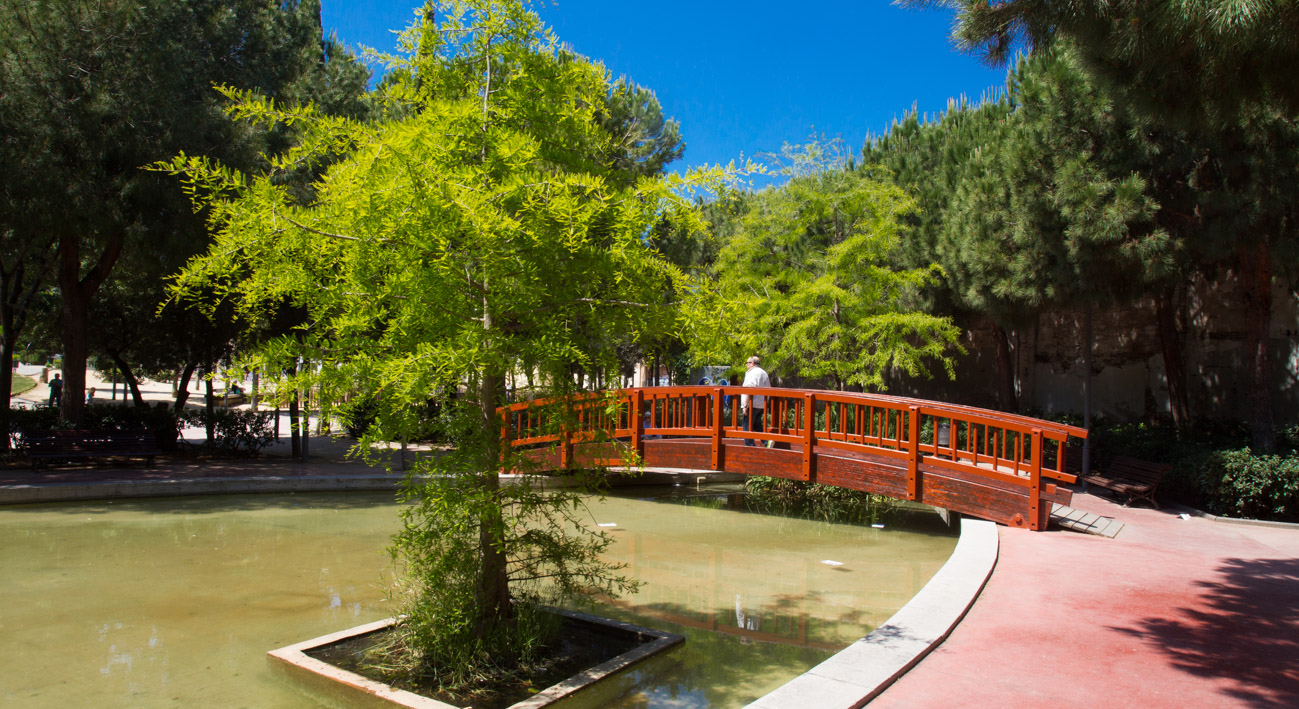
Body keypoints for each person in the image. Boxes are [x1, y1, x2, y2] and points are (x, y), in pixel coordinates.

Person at [740, 356, 770, 446]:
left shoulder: (752, 372)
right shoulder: (764, 373)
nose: (746, 365)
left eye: (747, 363)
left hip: (752, 404)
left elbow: (750, 388)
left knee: (747, 426)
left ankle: (750, 447)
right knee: (757, 425)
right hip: (761, 404)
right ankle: (766, 442)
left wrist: (745, 405)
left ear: (752, 363)